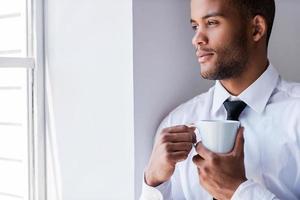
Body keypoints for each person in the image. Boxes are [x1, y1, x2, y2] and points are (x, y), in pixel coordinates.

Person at [139, 0, 300, 199]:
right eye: (195, 26)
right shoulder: (176, 123)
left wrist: (238, 191)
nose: (196, 39)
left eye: (212, 22)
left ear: (256, 29)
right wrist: (154, 183)